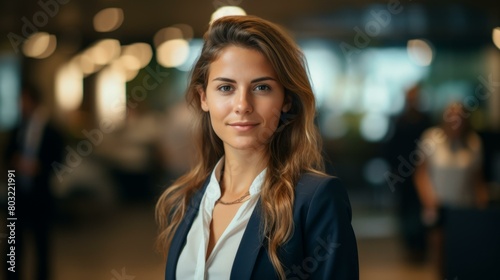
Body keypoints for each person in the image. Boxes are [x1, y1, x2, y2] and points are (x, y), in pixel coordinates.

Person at [155, 15, 358, 280]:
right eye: (226, 88)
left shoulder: (315, 201)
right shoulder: (186, 198)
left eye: (262, 87)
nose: (242, 105)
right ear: (204, 97)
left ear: (286, 99)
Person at [414, 102, 488, 277]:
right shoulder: (431, 138)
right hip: (438, 205)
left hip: (464, 206)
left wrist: (483, 206)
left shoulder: (473, 142)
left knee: (463, 252)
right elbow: (421, 174)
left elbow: (477, 179)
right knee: (440, 250)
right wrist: (429, 200)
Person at [4, 83, 64, 280]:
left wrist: (39, 168)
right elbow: (7, 154)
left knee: (41, 242)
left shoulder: (51, 129)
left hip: (40, 193)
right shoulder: (19, 127)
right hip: (17, 191)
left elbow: (58, 160)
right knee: (13, 240)